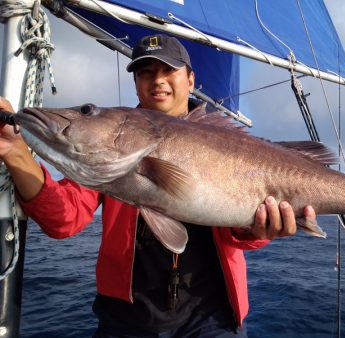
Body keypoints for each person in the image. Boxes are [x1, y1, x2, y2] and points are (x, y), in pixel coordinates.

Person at [0, 34, 316, 337]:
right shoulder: (108, 155)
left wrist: (259, 231)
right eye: (146, 72)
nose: (158, 80)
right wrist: (16, 154)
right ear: (136, 83)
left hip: (213, 316)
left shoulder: (228, 138)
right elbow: (64, 218)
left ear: (190, 80)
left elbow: (242, 230)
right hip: (126, 320)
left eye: (169, 70)